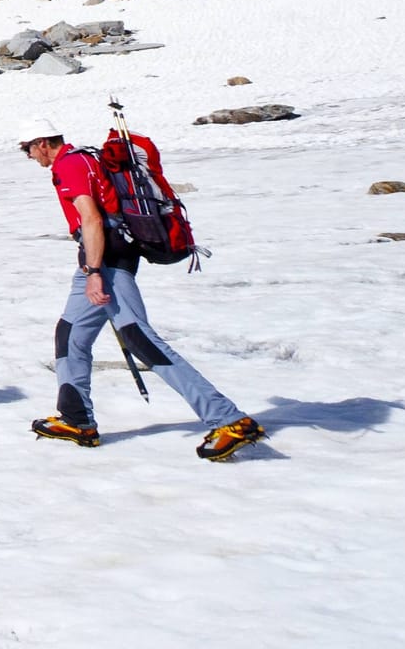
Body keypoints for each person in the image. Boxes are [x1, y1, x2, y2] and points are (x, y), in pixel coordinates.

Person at [20, 117, 266, 460]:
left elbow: (91, 220)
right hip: (101, 257)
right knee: (70, 333)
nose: (29, 156)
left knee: (139, 338)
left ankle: (230, 419)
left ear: (42, 143)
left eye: (27, 149)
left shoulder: (70, 166)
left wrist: (94, 272)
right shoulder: (85, 158)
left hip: (106, 259)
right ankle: (77, 421)